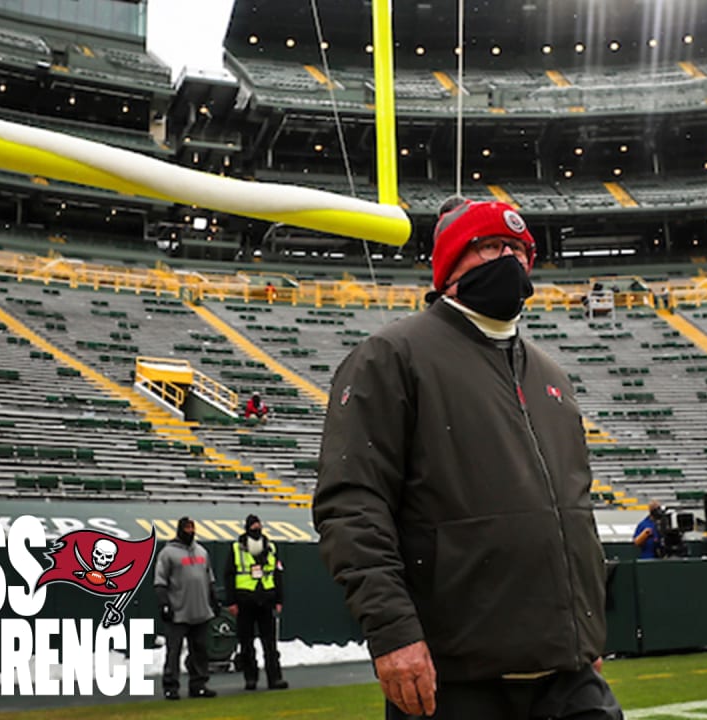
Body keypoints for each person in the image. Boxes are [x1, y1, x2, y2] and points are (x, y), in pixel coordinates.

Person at [314, 198, 620, 720]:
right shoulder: (392, 356)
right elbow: (352, 504)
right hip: (456, 677)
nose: (510, 259)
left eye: (520, 250)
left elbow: (574, 510)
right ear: (451, 263)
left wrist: (584, 628)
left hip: (567, 676)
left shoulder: (552, 376)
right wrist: (393, 635)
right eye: (491, 246)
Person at [155, 517, 219, 700]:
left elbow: (209, 578)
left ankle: (198, 684)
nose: (190, 531)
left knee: (199, 650)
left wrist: (213, 599)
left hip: (200, 610)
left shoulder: (201, 551)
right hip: (178, 610)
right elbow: (160, 581)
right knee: (173, 651)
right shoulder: (168, 553)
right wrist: (164, 604)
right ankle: (171, 686)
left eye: (192, 527)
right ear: (179, 530)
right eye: (187, 528)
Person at [225, 514, 288, 691]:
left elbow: (277, 575)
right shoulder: (237, 549)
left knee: (270, 644)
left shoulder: (271, 547)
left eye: (258, 525)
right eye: (253, 526)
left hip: (266, 600)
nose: (256, 529)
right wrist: (231, 602)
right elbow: (229, 576)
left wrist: (279, 599)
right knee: (246, 643)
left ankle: (274, 678)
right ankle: (250, 678)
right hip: (244, 601)